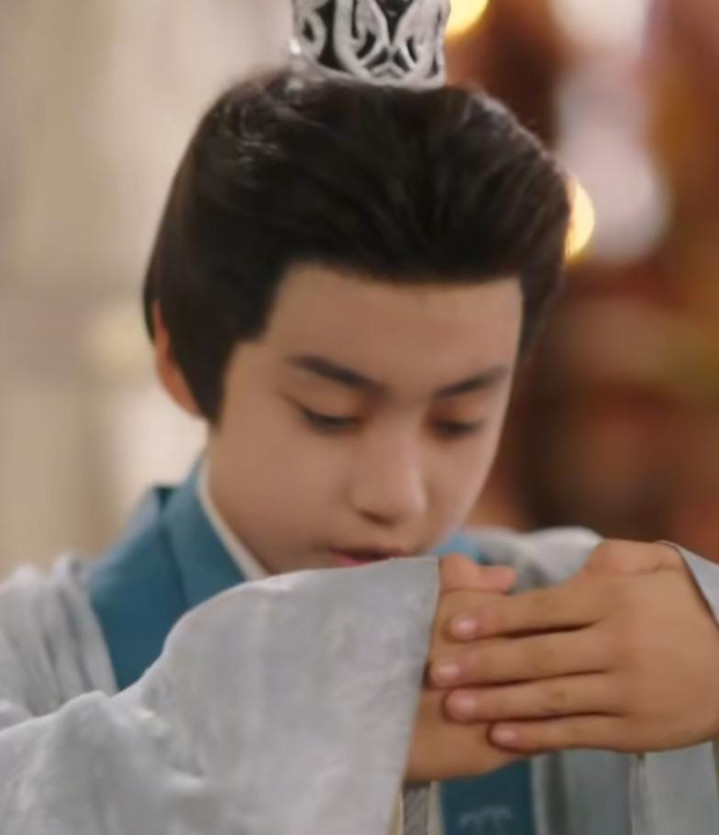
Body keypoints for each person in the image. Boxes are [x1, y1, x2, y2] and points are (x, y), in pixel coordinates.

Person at [2, 2, 719, 834]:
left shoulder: (576, 627)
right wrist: (301, 724)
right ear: (179, 355)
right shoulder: (34, 653)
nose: (395, 494)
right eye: (330, 413)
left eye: (458, 420)